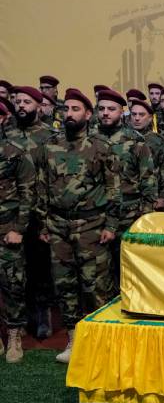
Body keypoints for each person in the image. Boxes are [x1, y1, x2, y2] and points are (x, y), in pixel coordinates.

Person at [37, 88, 122, 364]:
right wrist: (44, 223)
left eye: (76, 109)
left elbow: (114, 188)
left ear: (88, 114)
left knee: (97, 286)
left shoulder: (100, 146)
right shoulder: (50, 145)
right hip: (58, 225)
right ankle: (74, 342)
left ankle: (104, 343)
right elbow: (42, 186)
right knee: (65, 286)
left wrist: (110, 224)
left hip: (92, 226)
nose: (69, 114)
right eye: (67, 109)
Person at [8, 86, 56, 339]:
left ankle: (43, 315)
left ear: (39, 105)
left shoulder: (50, 136)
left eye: (27, 102)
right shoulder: (8, 133)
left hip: (40, 212)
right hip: (12, 213)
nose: (21, 106)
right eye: (17, 102)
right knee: (17, 268)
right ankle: (21, 316)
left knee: (41, 266)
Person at [95, 89, 156, 284]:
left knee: (129, 270)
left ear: (122, 112)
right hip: (95, 215)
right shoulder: (89, 139)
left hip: (128, 214)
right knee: (98, 273)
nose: (106, 113)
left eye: (111, 109)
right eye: (101, 108)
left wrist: (145, 216)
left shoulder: (135, 140)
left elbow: (148, 179)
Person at [0, 118, 35, 363]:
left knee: (12, 283)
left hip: (7, 228)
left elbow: (27, 192)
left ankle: (14, 335)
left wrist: (19, 228)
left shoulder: (14, 152)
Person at [129, 99, 164, 211]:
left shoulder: (158, 141)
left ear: (149, 118)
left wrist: (163, 196)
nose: (137, 118)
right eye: (134, 114)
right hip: (127, 199)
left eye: (141, 115)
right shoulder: (123, 139)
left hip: (151, 199)